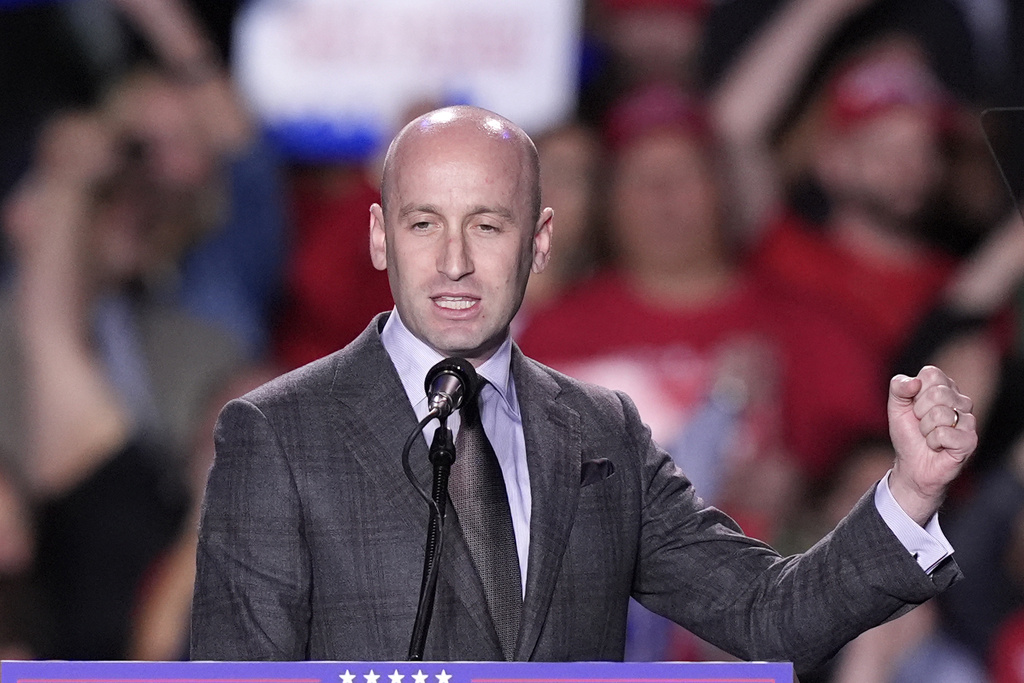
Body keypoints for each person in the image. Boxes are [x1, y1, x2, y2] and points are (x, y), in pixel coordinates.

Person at [191, 105, 977, 673]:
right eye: (424, 223)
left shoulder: (603, 433)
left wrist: (910, 491)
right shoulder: (278, 432)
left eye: (488, 225)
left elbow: (768, 613)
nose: (455, 261)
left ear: (539, 242)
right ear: (378, 236)